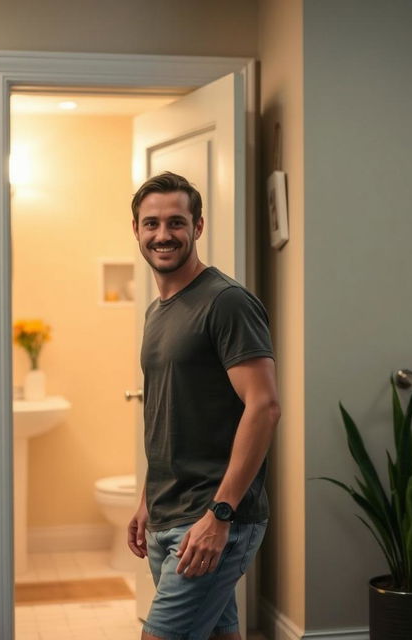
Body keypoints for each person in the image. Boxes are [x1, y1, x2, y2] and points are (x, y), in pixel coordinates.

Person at [127, 172, 280, 640]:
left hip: (213, 517)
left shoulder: (226, 302)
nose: (163, 234)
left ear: (198, 227)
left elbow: (264, 406)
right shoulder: (158, 311)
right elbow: (172, 413)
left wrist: (221, 514)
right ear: (136, 230)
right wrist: (146, 498)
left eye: (177, 221)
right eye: (151, 223)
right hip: (168, 512)